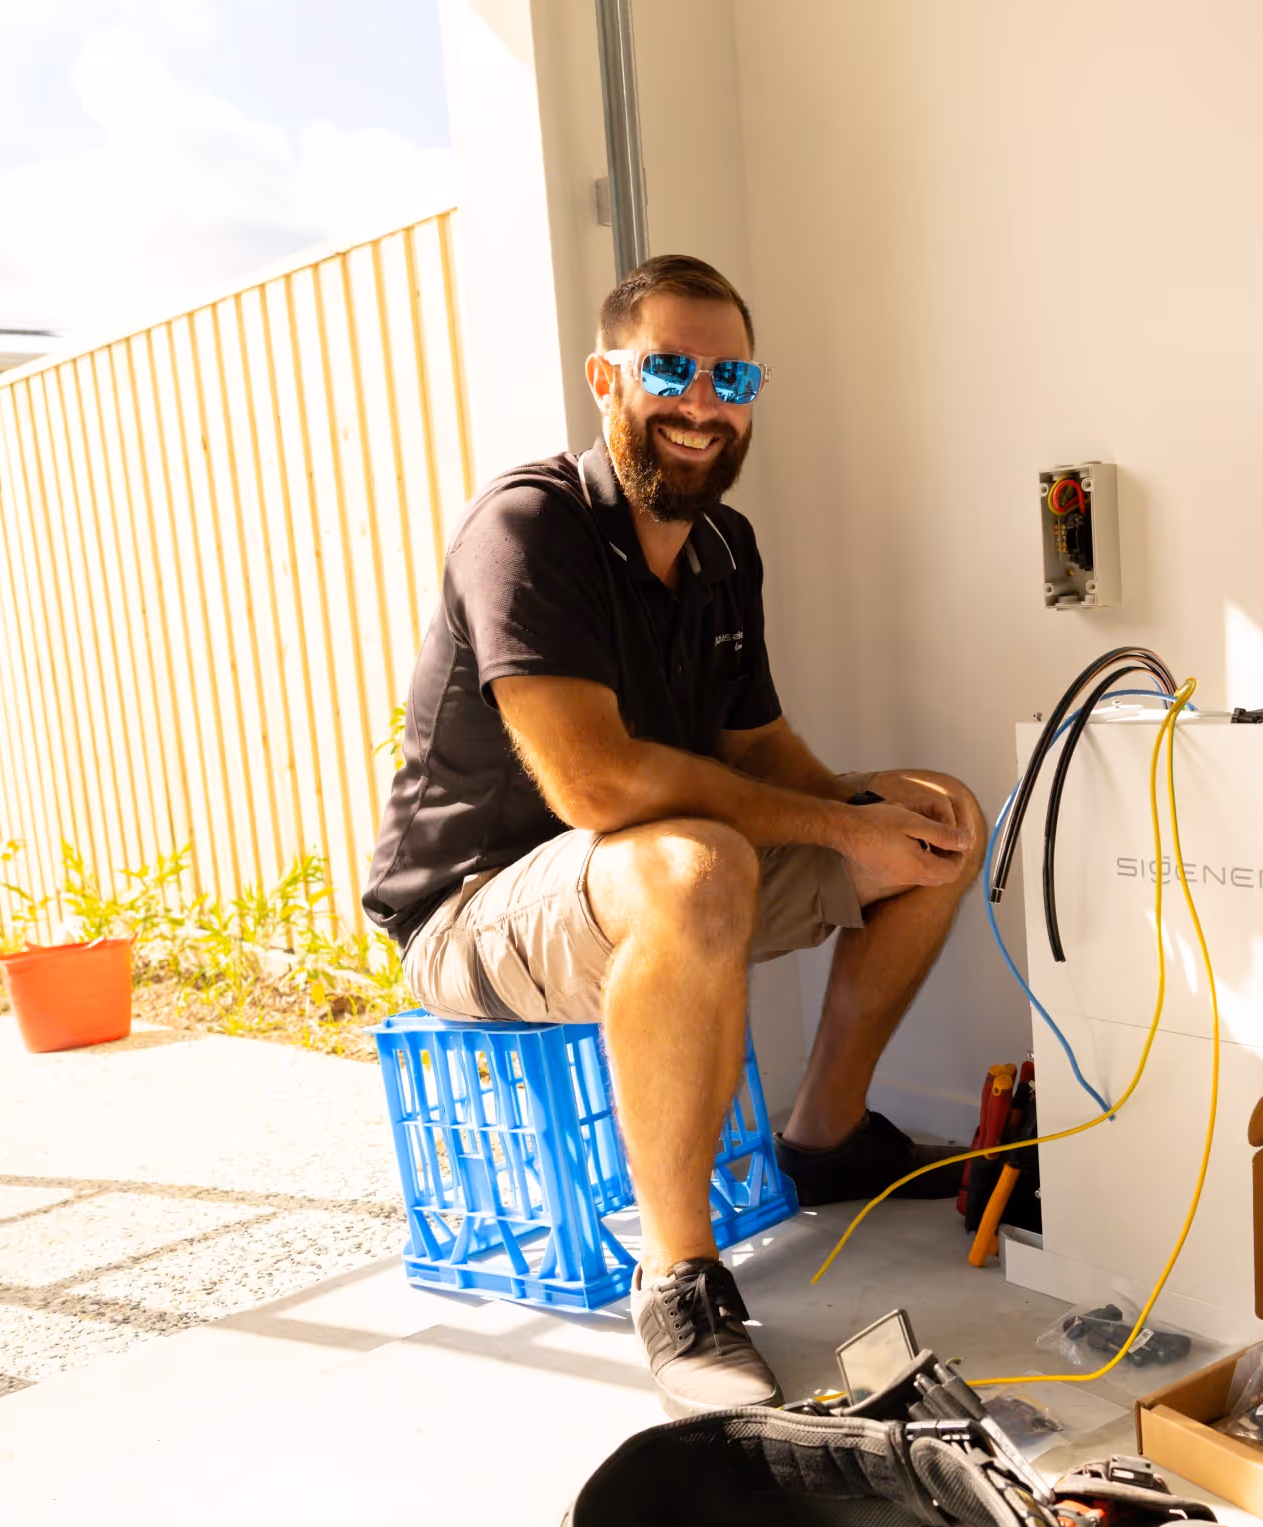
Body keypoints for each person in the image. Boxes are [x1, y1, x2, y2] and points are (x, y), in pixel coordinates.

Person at [363, 255, 987, 1417]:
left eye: (730, 374)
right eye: (670, 368)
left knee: (940, 810)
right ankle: (680, 1275)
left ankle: (827, 1135)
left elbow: (758, 751)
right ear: (607, 378)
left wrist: (873, 822)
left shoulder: (723, 548)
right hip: (473, 908)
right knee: (699, 861)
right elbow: (598, 784)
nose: (701, 401)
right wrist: (826, 826)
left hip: (657, 875)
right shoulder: (527, 526)